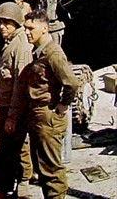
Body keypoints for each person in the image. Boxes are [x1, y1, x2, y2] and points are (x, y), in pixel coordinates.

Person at [7, 10, 79, 199]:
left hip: (47, 116)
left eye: (31, 28)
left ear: (45, 28)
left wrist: (63, 106)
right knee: (42, 165)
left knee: (51, 170)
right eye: (25, 28)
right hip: (37, 115)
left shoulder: (53, 53)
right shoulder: (38, 52)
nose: (27, 32)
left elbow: (71, 83)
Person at [0, 2, 33, 199]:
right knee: (16, 146)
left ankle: (15, 185)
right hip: (7, 107)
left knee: (10, 149)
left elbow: (20, 84)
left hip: (13, 108)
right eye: (0, 23)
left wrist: (13, 117)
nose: (2, 27)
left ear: (16, 23)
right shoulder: (10, 43)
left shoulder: (21, 45)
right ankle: (12, 185)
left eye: (7, 23)